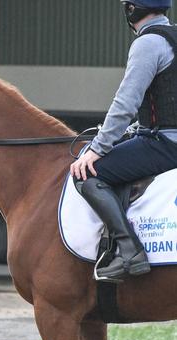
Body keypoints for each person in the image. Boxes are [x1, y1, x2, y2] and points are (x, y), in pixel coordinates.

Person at [70, 0, 177, 280]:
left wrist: (97, 148)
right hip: (160, 137)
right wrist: (134, 129)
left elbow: (125, 103)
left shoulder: (148, 43)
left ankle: (129, 251)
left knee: (87, 174)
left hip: (165, 145)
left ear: (131, 9)